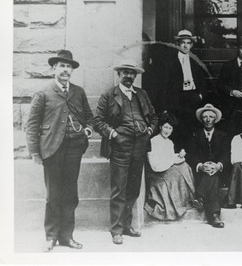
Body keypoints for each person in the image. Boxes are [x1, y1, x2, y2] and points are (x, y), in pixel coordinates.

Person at [25, 50, 93, 252]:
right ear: (54, 68)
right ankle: (51, 237)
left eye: (69, 66)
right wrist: (35, 153)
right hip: (51, 150)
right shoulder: (43, 93)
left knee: (70, 194)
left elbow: (89, 116)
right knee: (53, 194)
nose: (65, 70)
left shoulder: (78, 92)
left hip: (74, 148)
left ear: (72, 70)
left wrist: (87, 129)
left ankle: (67, 236)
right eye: (62, 66)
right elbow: (32, 125)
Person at [94, 60, 158, 245]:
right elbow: (98, 121)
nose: (129, 76)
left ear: (135, 76)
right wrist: (113, 133)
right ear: (119, 75)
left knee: (133, 188)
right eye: (125, 73)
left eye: (132, 73)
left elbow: (154, 117)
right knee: (119, 189)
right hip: (120, 148)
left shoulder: (142, 94)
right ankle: (116, 230)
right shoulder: (109, 95)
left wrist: (149, 131)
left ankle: (127, 226)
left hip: (139, 147)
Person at [154, 30, 207, 149]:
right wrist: (165, 106)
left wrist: (200, 95)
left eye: (188, 43)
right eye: (182, 42)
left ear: (192, 45)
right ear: (177, 44)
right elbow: (162, 85)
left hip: (192, 98)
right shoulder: (169, 62)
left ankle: (190, 158)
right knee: (177, 129)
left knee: (192, 129)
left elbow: (202, 80)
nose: (185, 45)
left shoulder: (195, 61)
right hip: (176, 100)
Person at [145, 111, 197, 221]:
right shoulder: (154, 141)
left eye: (170, 128)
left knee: (185, 166)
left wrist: (179, 155)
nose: (167, 130)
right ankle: (184, 201)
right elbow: (155, 165)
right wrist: (172, 161)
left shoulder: (170, 142)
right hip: (156, 174)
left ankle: (189, 198)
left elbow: (170, 157)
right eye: (165, 127)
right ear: (160, 127)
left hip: (166, 169)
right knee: (178, 173)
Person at [188, 104, 230, 228]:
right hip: (201, 173)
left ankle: (200, 197)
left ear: (215, 119)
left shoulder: (223, 136)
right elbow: (190, 155)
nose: (208, 119)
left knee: (214, 176)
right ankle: (214, 215)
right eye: (205, 117)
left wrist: (218, 166)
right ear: (201, 119)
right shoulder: (195, 135)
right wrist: (200, 166)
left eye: (211, 117)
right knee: (211, 178)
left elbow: (226, 155)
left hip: (219, 172)